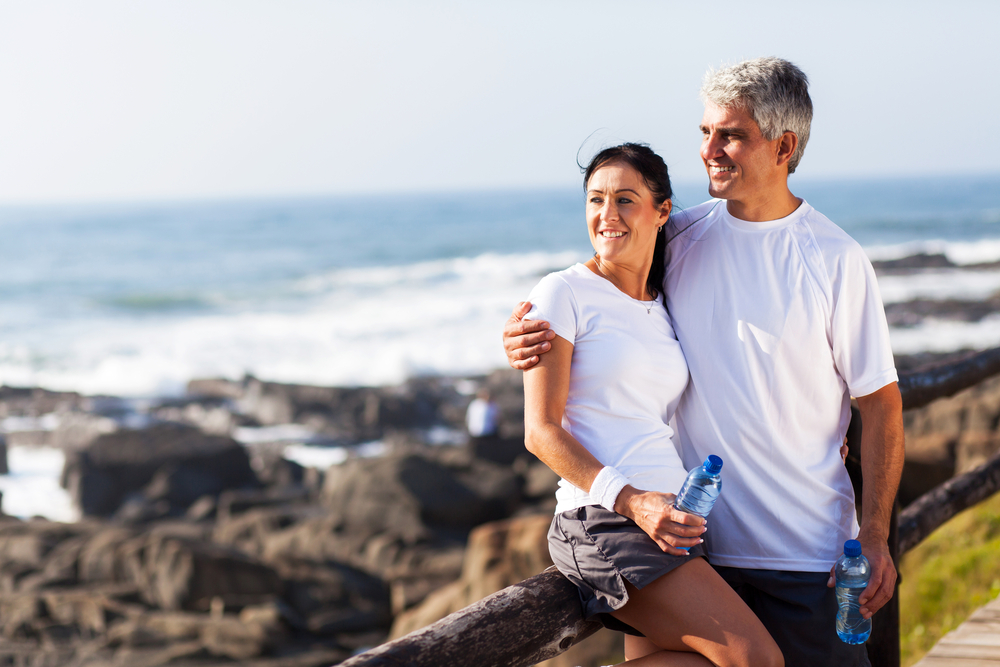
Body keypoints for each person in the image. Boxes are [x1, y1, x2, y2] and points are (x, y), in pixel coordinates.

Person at [504, 58, 904, 667]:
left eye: (731, 135)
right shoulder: (679, 240)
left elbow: (880, 402)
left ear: (784, 145)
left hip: (810, 558)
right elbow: (604, 279)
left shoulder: (834, 259)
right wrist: (522, 334)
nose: (709, 150)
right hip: (701, 544)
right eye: (705, 133)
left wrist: (874, 535)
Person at [523, 142, 783, 667]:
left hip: (672, 518)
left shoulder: (662, 305)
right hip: (607, 517)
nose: (607, 215)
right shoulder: (563, 292)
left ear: (662, 212)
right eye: (596, 200)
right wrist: (633, 501)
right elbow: (541, 431)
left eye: (625, 199)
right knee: (757, 659)